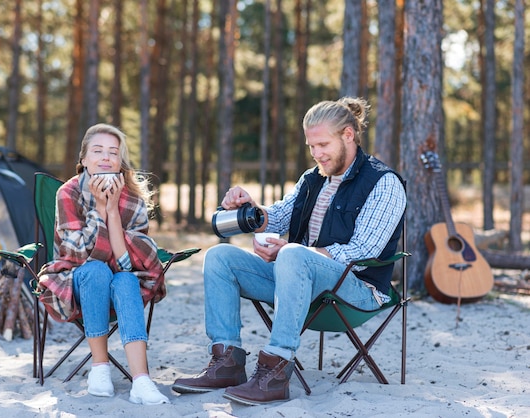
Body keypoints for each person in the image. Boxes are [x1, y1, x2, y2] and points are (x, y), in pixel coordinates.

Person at [172, 97, 406, 405]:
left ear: (348, 135)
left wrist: (293, 253)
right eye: (311, 147)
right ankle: (226, 361)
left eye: (323, 145)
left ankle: (276, 370)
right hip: (298, 283)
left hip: (357, 290)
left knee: (295, 255)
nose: (317, 154)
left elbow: (363, 251)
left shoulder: (383, 182)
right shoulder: (312, 179)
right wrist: (249, 209)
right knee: (220, 257)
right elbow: (279, 216)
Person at [37, 123, 169, 404]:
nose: (106, 157)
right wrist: (98, 208)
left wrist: (111, 211)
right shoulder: (68, 193)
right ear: (84, 159)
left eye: (113, 152)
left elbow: (126, 264)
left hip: (125, 283)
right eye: (98, 151)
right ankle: (99, 368)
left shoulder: (132, 198)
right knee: (96, 269)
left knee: (124, 280)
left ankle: (141, 381)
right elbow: (77, 255)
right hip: (76, 281)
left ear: (121, 161)